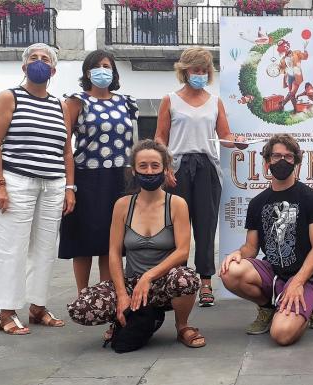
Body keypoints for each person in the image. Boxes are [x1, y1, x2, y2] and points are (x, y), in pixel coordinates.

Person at [67, 140, 205, 348]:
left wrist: (149, 277)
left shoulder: (176, 204)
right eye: (143, 166)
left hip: (162, 282)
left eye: (155, 166)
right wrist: (122, 294)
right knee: (81, 307)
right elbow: (113, 252)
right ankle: (124, 318)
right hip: (131, 282)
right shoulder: (122, 206)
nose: (149, 171)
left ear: (165, 169)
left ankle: (182, 326)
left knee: (186, 279)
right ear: (133, 170)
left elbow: (182, 251)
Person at [0, 43, 74, 335]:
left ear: (53, 69)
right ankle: (6, 311)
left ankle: (37, 306)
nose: (39, 62)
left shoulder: (59, 105)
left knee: (45, 249)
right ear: (24, 67)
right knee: (12, 248)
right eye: (33, 58)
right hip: (16, 181)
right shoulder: (8, 97)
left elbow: (66, 152)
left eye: (45, 59)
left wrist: (69, 187)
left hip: (53, 184)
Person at [155, 47, 245, 307]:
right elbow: (161, 136)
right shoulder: (169, 100)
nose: (200, 74)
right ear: (184, 71)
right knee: (176, 227)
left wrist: (236, 142)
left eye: (204, 70)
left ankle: (205, 283)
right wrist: (164, 165)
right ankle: (178, 280)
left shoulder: (215, 101)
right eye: (195, 69)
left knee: (206, 228)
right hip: (178, 166)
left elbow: (225, 135)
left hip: (207, 167)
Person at [220, 134, 313, 346]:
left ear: (296, 162)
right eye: (277, 156)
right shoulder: (258, 203)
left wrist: (297, 282)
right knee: (230, 271)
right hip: (273, 271)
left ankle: (311, 304)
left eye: (288, 157)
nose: (282, 161)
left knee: (281, 334)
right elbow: (251, 248)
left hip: (305, 277)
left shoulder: (311, 198)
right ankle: (268, 308)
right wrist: (238, 254)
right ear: (267, 160)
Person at [58, 50, 139, 294]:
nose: (103, 70)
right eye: (97, 66)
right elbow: (66, 148)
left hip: (119, 180)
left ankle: (107, 294)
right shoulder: (76, 101)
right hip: (86, 178)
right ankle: (83, 295)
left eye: (107, 66)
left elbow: (133, 143)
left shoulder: (127, 102)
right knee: (83, 241)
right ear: (87, 72)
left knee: (111, 241)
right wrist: (69, 187)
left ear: (113, 72)